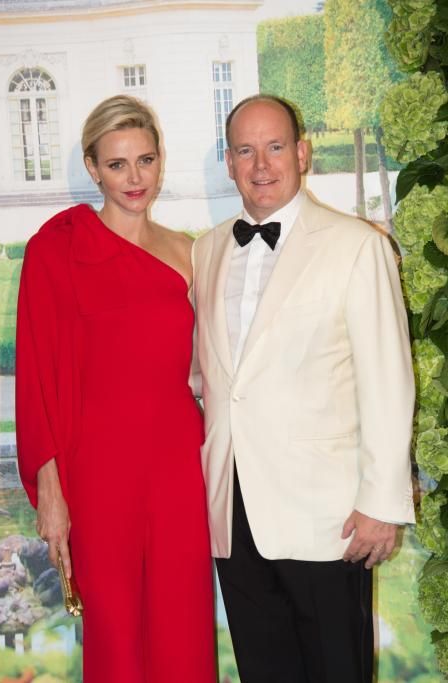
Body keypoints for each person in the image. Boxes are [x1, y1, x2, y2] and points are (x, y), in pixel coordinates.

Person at [192, 94, 415, 683]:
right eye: (245, 151)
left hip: (329, 519)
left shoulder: (357, 245)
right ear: (229, 162)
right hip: (235, 515)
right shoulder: (206, 250)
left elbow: (388, 381)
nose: (261, 165)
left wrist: (381, 504)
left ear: (302, 153)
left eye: (275, 146)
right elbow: (206, 376)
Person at [15, 94, 216, 683]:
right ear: (92, 167)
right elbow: (36, 378)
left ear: (160, 161)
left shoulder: (189, 252)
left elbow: (210, 368)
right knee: (115, 634)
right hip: (97, 471)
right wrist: (51, 494)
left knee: (182, 624)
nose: (134, 178)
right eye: (117, 164)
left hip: (178, 465)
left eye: (145, 160)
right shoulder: (56, 248)